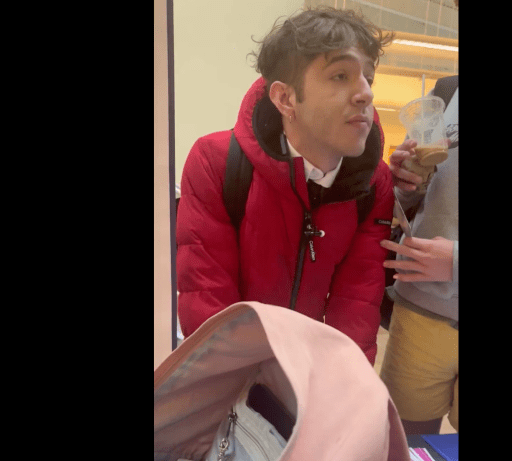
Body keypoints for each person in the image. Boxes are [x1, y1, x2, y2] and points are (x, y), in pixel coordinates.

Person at [175, 7, 395, 365]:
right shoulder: (216, 161)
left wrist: (342, 385)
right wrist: (241, 386)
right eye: (340, 75)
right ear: (285, 99)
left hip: (311, 369)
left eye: (368, 77)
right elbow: (208, 302)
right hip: (232, 371)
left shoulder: (374, 183)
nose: (365, 94)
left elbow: (356, 305)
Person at [379, 74, 459, 434]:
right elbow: (411, 198)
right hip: (419, 311)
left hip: (426, 295)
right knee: (405, 450)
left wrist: (455, 262)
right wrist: (404, 182)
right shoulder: (447, 91)